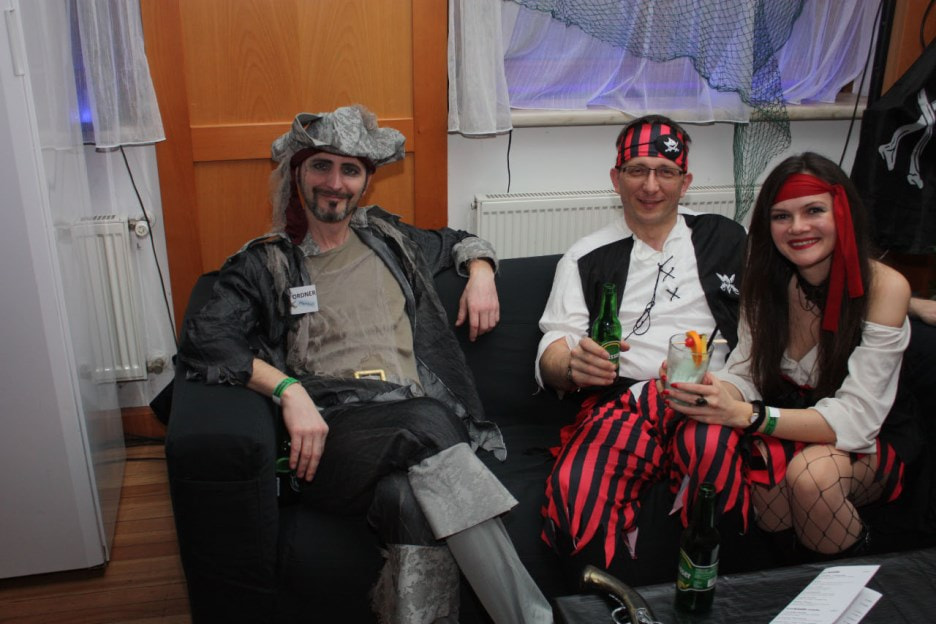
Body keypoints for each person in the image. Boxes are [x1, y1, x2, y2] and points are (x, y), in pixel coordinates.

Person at [178, 105, 552, 624]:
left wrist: (483, 273)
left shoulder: (390, 240)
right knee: (426, 420)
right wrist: (288, 390)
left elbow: (460, 241)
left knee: (407, 502)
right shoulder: (268, 262)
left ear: (366, 181)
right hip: (336, 435)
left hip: (414, 430)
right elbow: (205, 338)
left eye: (350, 170)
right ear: (297, 173)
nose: (335, 183)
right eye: (321, 166)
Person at [665, 152, 919, 558]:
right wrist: (711, 390)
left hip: (868, 431)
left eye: (814, 210)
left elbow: (858, 418)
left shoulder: (885, 288)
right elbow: (746, 372)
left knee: (811, 477)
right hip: (788, 419)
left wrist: (747, 415)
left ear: (843, 213)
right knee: (768, 475)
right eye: (781, 216)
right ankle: (790, 584)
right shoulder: (765, 279)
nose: (797, 227)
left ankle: (864, 579)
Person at [536, 115, 747, 571]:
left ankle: (715, 591)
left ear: (685, 181)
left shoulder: (726, 238)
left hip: (712, 395)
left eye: (665, 172)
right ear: (616, 179)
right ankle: (607, 599)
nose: (651, 186)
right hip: (625, 401)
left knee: (712, 455)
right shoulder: (585, 256)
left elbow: (769, 321)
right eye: (637, 170)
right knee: (579, 492)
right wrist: (571, 366)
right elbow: (555, 342)